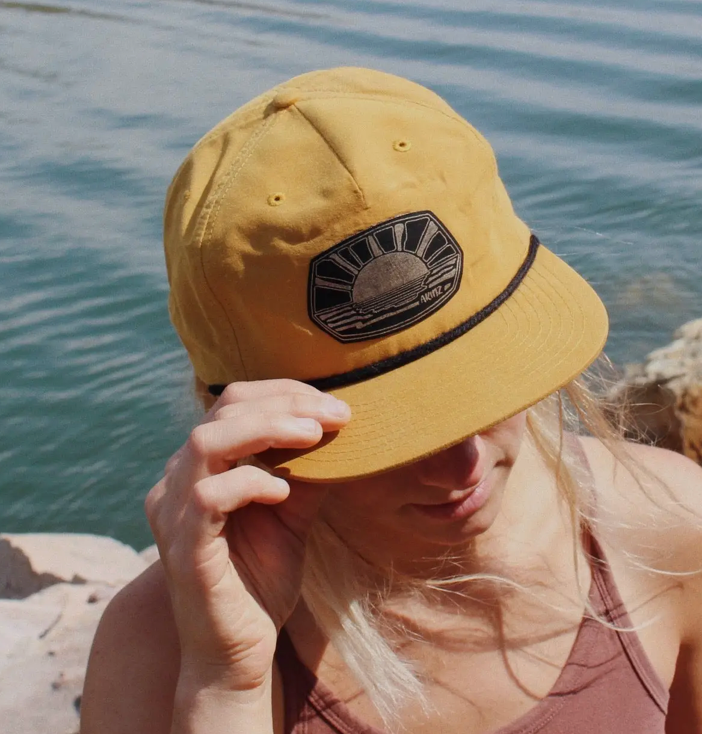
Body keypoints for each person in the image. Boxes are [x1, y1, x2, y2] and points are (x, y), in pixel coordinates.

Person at [80, 68, 702, 734]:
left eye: (486, 384)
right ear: (240, 419)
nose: (461, 463)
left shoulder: (667, 526)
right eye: (393, 430)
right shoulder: (165, 646)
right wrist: (226, 684)